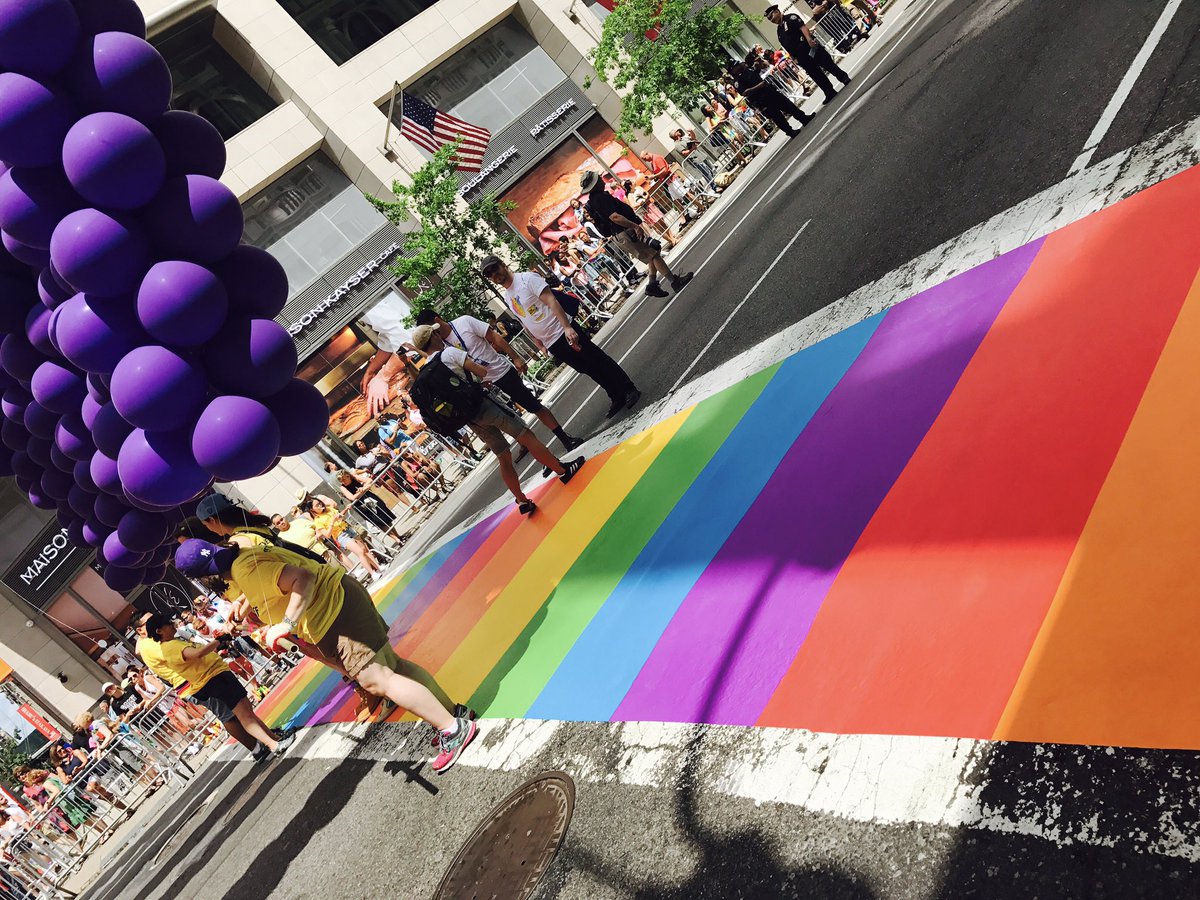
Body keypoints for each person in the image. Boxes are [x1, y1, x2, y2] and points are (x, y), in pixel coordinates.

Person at [174, 539, 478, 774]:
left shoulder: (244, 570)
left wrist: (285, 624)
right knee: (393, 667)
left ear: (203, 578)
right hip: (340, 600)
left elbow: (301, 579)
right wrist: (251, 606)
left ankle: (452, 728)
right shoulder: (245, 557)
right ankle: (454, 714)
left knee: (377, 681)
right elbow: (278, 579)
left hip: (333, 612)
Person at [408, 324, 584, 516]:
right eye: (435, 333)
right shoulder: (449, 354)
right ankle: (562, 471)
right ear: (433, 336)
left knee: (503, 456)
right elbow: (481, 372)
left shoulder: (426, 371)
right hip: (485, 405)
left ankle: (522, 500)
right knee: (526, 435)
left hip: (470, 419)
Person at [481, 255, 643, 419]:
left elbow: (551, 300)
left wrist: (567, 327)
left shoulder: (526, 279)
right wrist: (539, 343)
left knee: (597, 359)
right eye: (489, 274)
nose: (494, 275)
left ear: (503, 264)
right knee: (587, 368)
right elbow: (524, 319)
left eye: (495, 269)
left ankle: (628, 388)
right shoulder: (508, 296)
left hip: (563, 330)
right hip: (552, 342)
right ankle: (615, 395)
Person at [413, 309, 581, 454]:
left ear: (436, 321)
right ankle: (543, 456)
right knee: (513, 423)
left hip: (501, 373)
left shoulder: (464, 322)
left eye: (432, 330)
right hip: (480, 389)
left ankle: (565, 438)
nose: (434, 335)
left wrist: (516, 357)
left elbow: (494, 337)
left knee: (533, 406)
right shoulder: (439, 345)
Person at [139, 612, 289, 763]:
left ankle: (272, 738)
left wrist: (217, 643)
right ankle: (270, 745)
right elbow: (197, 653)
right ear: (158, 631)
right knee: (239, 716)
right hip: (210, 680)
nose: (173, 625)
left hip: (214, 675)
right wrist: (218, 641)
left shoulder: (172, 642)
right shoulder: (166, 647)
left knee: (246, 712)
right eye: (168, 623)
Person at [580, 170, 692, 299]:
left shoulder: (594, 200)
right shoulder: (600, 198)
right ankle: (674, 281)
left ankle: (652, 284)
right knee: (654, 255)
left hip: (621, 232)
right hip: (624, 231)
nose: (600, 178)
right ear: (595, 183)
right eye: (598, 178)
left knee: (651, 253)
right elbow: (615, 217)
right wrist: (634, 226)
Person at [766, 4, 852, 105]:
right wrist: (794, 57)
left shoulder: (791, 18)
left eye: (771, 16)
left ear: (777, 12)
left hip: (809, 47)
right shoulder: (779, 31)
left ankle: (843, 77)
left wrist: (809, 39)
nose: (771, 20)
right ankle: (829, 91)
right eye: (769, 19)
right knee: (815, 74)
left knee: (827, 64)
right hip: (801, 56)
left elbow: (803, 27)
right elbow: (786, 45)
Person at [730, 53, 813, 137]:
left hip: (769, 92)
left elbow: (761, 68)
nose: (740, 65)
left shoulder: (747, 70)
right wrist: (760, 85)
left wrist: (758, 64)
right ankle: (790, 131)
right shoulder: (738, 81)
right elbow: (745, 92)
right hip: (761, 100)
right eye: (737, 65)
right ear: (734, 70)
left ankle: (803, 118)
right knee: (777, 116)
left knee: (788, 105)